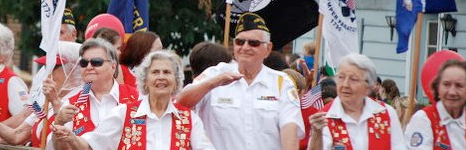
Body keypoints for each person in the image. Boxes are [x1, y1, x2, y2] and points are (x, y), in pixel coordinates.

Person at [176, 13, 304, 150]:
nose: (245, 47)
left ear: (267, 49)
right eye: (240, 42)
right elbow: (181, 103)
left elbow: (290, 128)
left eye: (253, 43)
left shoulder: (281, 82)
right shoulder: (214, 74)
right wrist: (214, 83)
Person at [50, 50, 216, 149]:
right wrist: (70, 137)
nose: (161, 77)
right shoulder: (123, 114)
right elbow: (90, 145)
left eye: (167, 72)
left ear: (176, 81)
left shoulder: (190, 120)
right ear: (145, 81)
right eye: (155, 72)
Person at [0, 41, 82, 149]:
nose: (48, 72)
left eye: (54, 66)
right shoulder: (45, 102)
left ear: (72, 69)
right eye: (46, 66)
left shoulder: (81, 102)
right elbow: (16, 136)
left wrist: (56, 103)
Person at [50, 39, 139, 149]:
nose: (89, 67)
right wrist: (59, 122)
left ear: (113, 67)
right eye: (83, 63)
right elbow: (60, 149)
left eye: (96, 62)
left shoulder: (137, 98)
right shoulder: (71, 103)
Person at [307, 54, 405, 150]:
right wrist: (317, 134)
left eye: (353, 79)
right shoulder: (325, 116)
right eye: (341, 77)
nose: (345, 84)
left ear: (368, 87)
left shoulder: (386, 113)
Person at [405, 60, 466, 150]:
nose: (452, 92)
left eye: (459, 86)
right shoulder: (423, 119)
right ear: (437, 88)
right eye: (446, 84)